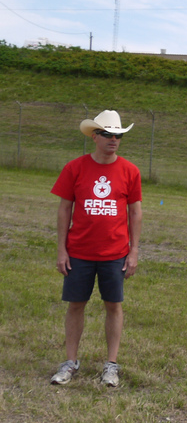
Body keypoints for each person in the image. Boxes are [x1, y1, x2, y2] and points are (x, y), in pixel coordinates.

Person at [50, 110, 142, 388]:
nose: (114, 140)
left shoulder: (130, 171)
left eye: (118, 135)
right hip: (79, 252)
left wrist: (134, 250)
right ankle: (70, 362)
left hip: (115, 254)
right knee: (76, 304)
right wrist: (62, 250)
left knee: (113, 305)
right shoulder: (74, 168)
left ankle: (111, 365)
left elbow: (135, 211)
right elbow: (65, 208)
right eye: (108, 134)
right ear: (95, 136)